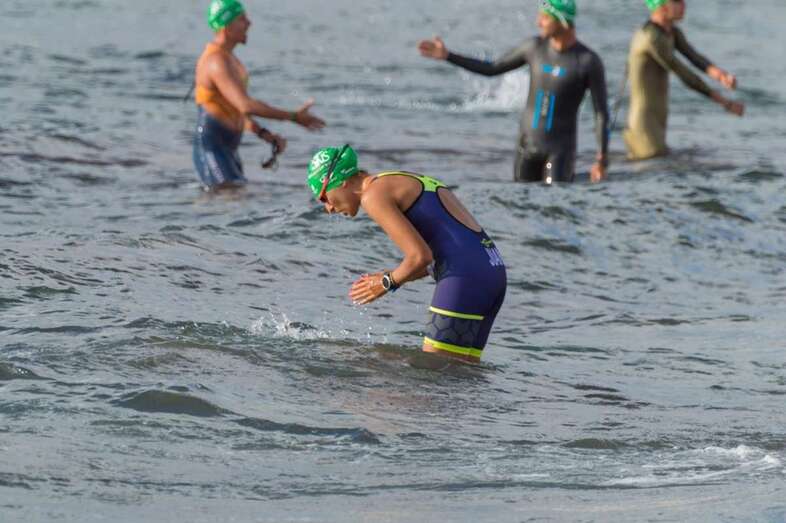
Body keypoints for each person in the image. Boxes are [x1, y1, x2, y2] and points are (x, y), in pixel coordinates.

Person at [306, 145, 507, 364]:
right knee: (462, 374)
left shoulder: (372, 195)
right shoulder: (396, 179)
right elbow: (437, 256)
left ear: (341, 181)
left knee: (437, 375)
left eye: (324, 198)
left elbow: (420, 257)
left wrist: (386, 282)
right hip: (492, 270)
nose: (328, 208)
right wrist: (395, 275)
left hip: (463, 277)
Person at [418, 0, 609, 184]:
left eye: (545, 17)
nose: (538, 22)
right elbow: (492, 68)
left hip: (559, 153)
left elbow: (601, 113)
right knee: (521, 200)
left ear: (562, 21)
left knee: (555, 199)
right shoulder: (534, 47)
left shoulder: (587, 61)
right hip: (526, 147)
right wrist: (448, 56)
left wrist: (601, 159)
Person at [193, 0, 325, 190]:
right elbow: (245, 105)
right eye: (242, 19)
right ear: (226, 26)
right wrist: (293, 117)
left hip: (228, 149)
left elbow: (237, 110)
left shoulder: (230, 59)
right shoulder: (215, 62)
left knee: (238, 196)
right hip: (212, 150)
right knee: (227, 197)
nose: (249, 23)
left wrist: (264, 134)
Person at [624, 0, 744, 160]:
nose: (683, 5)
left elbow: (694, 57)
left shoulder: (671, 32)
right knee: (653, 164)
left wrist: (722, 76)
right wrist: (725, 103)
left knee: (665, 164)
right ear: (661, 6)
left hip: (657, 118)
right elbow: (684, 74)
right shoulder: (651, 37)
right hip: (643, 124)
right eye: (677, 1)